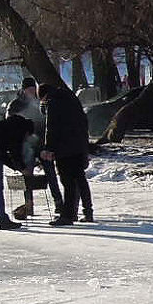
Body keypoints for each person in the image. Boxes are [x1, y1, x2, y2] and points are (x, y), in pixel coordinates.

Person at [7, 77, 63, 219]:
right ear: (23, 90)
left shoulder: (40, 102)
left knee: (50, 172)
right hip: (26, 144)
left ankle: (58, 202)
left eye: (33, 89)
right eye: (29, 89)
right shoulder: (15, 105)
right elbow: (10, 124)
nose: (32, 92)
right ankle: (28, 205)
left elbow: (47, 122)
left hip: (42, 143)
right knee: (28, 175)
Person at [38, 83, 93, 225]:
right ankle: (88, 212)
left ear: (44, 96)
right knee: (80, 180)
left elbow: (51, 127)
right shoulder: (71, 98)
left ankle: (68, 215)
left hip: (64, 148)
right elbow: (83, 121)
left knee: (68, 182)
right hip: (79, 145)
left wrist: (48, 148)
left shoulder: (53, 103)